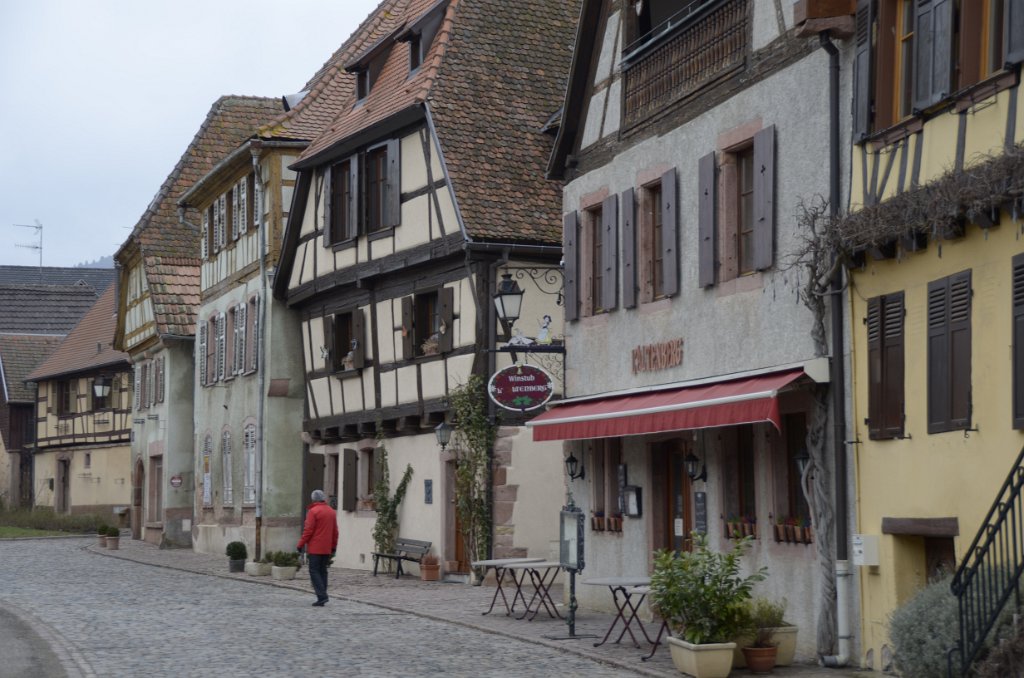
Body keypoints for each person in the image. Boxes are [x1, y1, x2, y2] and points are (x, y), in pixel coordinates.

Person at [296, 489, 338, 606]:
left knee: (314, 571)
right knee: (323, 571)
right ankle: (322, 595)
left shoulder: (313, 512)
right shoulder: (331, 511)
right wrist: (333, 546)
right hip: (327, 547)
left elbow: (308, 531)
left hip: (315, 547)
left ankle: (322, 595)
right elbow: (335, 532)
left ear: (313, 499)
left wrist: (300, 544)